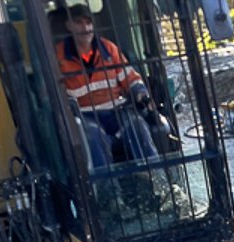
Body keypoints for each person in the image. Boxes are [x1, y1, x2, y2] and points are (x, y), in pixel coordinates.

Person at [55, 4, 160, 167]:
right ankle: (107, 183)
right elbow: (57, 92)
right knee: (93, 136)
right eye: (78, 23)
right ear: (69, 26)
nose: (85, 28)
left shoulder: (109, 49)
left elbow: (130, 78)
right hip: (84, 115)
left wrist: (140, 93)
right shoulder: (58, 56)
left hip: (116, 111)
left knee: (138, 125)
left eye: (88, 22)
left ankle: (157, 177)